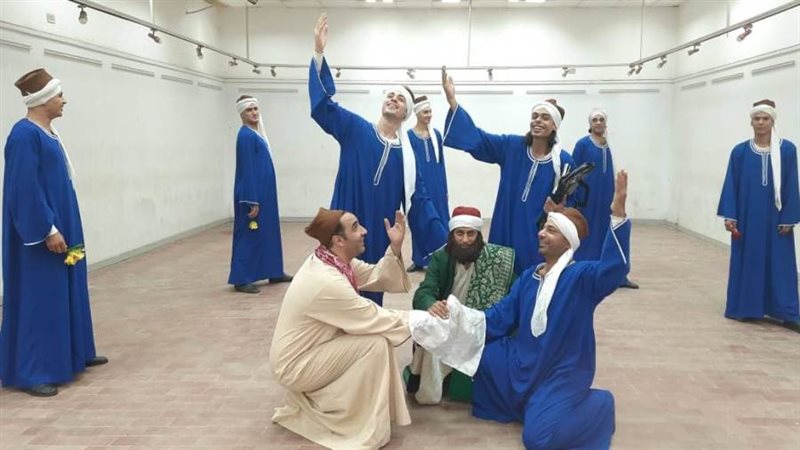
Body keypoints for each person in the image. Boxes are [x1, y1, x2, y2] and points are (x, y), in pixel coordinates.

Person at [417, 170, 631, 449]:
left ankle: (599, 404)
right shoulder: (530, 276)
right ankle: (535, 404)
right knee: (483, 356)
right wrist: (457, 317)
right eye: (543, 228)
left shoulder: (581, 277)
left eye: (551, 230)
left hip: (561, 370)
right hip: (524, 360)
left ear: (568, 242)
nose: (541, 233)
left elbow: (613, 270)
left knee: (538, 439)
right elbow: (499, 318)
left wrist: (618, 215)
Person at [1, 68, 107, 397]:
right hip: (42, 234)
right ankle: (35, 370)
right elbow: (24, 188)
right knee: (41, 296)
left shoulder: (48, 133)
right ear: (43, 99)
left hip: (64, 225)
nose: (64, 100)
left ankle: (74, 351)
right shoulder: (24, 135)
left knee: (69, 286)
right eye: (59, 95)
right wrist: (47, 228)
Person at [269, 208, 413, 450]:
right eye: (356, 227)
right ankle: (352, 421)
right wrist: (422, 320)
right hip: (294, 366)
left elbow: (376, 275)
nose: (364, 231)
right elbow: (370, 316)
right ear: (338, 240)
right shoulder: (325, 280)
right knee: (375, 343)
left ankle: (341, 407)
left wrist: (395, 247)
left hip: (308, 354)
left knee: (371, 338)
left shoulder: (332, 261)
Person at [309, 13, 423, 306]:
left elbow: (419, 200)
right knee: (335, 286)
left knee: (370, 293)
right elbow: (323, 108)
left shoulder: (407, 157)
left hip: (376, 232)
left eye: (400, 98)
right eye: (390, 95)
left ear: (406, 113)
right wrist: (319, 54)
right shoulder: (356, 129)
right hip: (341, 227)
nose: (393, 99)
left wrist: (443, 241)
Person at [441, 67, 575, 274]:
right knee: (500, 274)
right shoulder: (513, 146)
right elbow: (480, 140)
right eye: (535, 116)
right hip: (505, 224)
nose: (538, 120)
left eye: (545, 117)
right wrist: (452, 101)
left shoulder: (564, 161)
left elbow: (572, 203)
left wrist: (559, 209)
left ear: (554, 126)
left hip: (535, 234)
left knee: (531, 277)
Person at [405, 206, 515, 405]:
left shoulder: (496, 259)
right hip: (448, 320)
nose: (465, 240)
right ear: (452, 235)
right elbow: (424, 291)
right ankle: (430, 388)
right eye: (460, 233)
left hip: (480, 321)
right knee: (429, 330)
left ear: (478, 235)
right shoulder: (441, 257)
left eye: (471, 234)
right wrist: (431, 304)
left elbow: (514, 293)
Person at [717, 99, 800, 332]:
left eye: (765, 118)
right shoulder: (740, 152)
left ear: (773, 121)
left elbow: (792, 184)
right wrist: (730, 216)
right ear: (751, 122)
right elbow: (731, 184)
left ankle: (787, 313)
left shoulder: (787, 150)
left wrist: (789, 217)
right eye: (757, 118)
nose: (761, 122)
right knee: (749, 260)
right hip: (748, 218)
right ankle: (746, 307)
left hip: (777, 219)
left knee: (781, 264)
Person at [228, 95, 292, 294]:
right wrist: (251, 200)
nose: (254, 113)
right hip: (253, 196)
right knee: (249, 235)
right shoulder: (245, 136)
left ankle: (274, 271)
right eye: (249, 110)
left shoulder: (257, 134)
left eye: (255, 108)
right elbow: (246, 170)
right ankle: (241, 278)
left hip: (265, 195)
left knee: (269, 232)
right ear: (242, 113)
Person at [572, 108, 639, 289]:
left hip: (606, 199)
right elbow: (574, 172)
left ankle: (616, 275)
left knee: (610, 233)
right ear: (590, 124)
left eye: (601, 119)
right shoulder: (582, 144)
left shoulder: (609, 145)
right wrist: (576, 199)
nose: (598, 122)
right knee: (587, 234)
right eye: (595, 120)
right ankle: (584, 272)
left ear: (605, 123)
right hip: (587, 200)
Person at [406, 96, 449, 272]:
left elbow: (442, 163)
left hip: (437, 185)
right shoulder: (409, 136)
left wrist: (445, 188)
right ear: (417, 113)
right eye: (425, 112)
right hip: (418, 187)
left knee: (440, 220)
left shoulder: (436, 135)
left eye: (430, 111)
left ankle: (443, 259)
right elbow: (409, 165)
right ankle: (419, 259)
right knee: (419, 222)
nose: (429, 115)